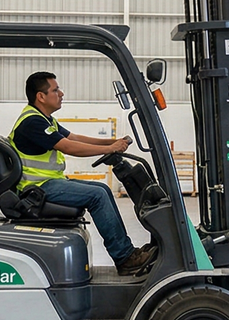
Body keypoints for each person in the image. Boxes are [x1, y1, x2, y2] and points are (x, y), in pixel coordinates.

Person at [11, 71, 158, 276]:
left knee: (102, 189)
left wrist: (112, 142)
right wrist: (110, 149)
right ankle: (124, 258)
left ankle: (127, 252)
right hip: (37, 189)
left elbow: (75, 138)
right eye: (55, 90)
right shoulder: (32, 122)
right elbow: (69, 147)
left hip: (47, 183)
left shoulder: (45, 120)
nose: (61, 93)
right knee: (97, 195)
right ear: (41, 96)